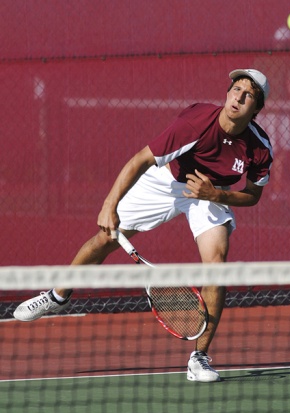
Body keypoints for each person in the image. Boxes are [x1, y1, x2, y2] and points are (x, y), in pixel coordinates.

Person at [13, 69, 273, 383]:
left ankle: (199, 357)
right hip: (166, 181)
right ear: (227, 93)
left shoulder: (259, 148)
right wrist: (109, 205)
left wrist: (215, 194)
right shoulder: (196, 123)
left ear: (256, 109)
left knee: (216, 266)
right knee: (104, 240)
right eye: (236, 89)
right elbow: (140, 160)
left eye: (248, 95)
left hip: (208, 192)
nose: (239, 97)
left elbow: (253, 196)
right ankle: (57, 296)